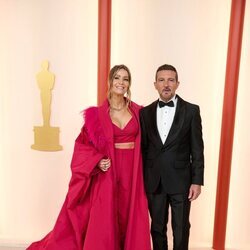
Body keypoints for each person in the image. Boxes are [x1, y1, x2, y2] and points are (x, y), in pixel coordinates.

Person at [27, 65, 151, 250]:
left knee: (129, 214)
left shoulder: (139, 112)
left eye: (125, 79)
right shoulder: (96, 115)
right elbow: (82, 146)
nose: (121, 82)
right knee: (107, 215)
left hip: (132, 172)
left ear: (129, 84)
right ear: (110, 81)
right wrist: (97, 160)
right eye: (117, 78)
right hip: (108, 172)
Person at [140, 64, 204, 250]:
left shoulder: (192, 111)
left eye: (170, 80)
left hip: (182, 181)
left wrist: (197, 181)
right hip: (154, 181)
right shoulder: (145, 113)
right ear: (155, 84)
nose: (166, 84)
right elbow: (144, 149)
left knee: (181, 227)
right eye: (161, 80)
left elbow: (197, 149)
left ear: (177, 84)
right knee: (157, 228)